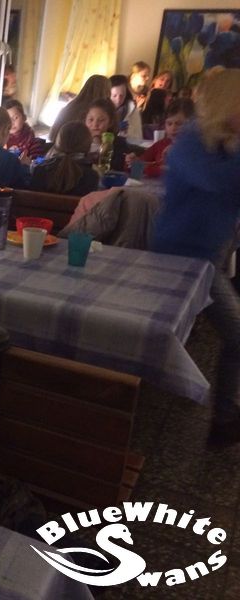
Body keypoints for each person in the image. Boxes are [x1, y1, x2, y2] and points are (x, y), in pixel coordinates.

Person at [150, 69, 240, 445]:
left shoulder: (221, 147)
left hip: (206, 256)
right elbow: (219, 183)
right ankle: (224, 420)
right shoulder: (190, 142)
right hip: (182, 257)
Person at [126, 98, 195, 178]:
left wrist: (147, 168)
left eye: (179, 124)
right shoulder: (161, 144)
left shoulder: (195, 149)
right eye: (169, 124)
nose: (173, 128)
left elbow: (175, 173)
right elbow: (135, 173)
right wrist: (131, 162)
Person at [30, 122, 98, 196]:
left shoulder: (39, 169)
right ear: (88, 145)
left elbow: (39, 161)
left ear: (58, 142)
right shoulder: (92, 177)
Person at [48, 75, 112, 144]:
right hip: (73, 148)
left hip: (55, 145)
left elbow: (52, 135)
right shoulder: (94, 112)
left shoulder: (70, 106)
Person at [84, 98, 129, 172]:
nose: (95, 124)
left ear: (110, 122)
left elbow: (118, 168)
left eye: (101, 120)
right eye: (90, 120)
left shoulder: (118, 145)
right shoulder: (79, 144)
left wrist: (128, 161)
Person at [109, 74, 142, 140]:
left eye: (122, 95)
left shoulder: (132, 110)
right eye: (114, 96)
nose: (118, 100)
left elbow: (138, 136)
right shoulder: (102, 109)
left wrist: (127, 132)